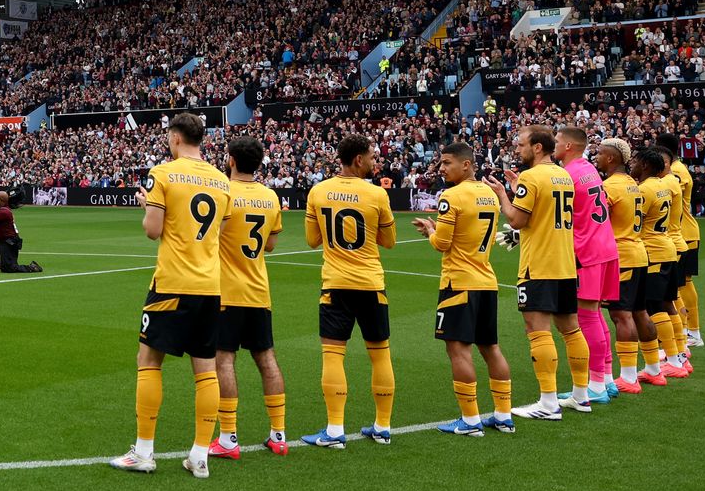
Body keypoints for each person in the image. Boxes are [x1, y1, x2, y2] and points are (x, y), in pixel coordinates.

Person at [110, 112, 230, 480]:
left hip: (172, 282)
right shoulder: (223, 182)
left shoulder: (162, 173)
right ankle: (199, 455)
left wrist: (148, 206)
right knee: (205, 368)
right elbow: (219, 229)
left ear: (176, 138)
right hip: (209, 285)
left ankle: (144, 451)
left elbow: (153, 230)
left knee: (148, 360)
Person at [487, 124, 592, 419]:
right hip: (564, 264)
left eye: (521, 145)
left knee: (537, 329)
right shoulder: (563, 175)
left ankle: (548, 402)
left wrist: (502, 195)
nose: (517, 149)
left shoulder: (533, 177)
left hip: (539, 264)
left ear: (536, 147)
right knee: (571, 329)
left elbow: (517, 220)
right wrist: (521, 185)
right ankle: (581, 396)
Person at [300, 134, 397, 448]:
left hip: (336, 284)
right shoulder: (377, 194)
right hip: (371, 283)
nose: (373, 161)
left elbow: (312, 240)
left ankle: (334, 430)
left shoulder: (318, 191)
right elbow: (389, 241)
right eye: (370, 157)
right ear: (358, 160)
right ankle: (382, 426)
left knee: (333, 356)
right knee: (380, 356)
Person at [412, 141, 514, 436]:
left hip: (459, 281)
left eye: (447, 163)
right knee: (491, 348)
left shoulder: (452, 195)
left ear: (466, 164)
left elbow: (442, 244)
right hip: (486, 279)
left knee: (458, 349)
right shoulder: (489, 194)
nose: (441, 168)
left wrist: (431, 230)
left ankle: (470, 421)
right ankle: (504, 416)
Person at [210, 135, 288, 459]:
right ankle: (279, 434)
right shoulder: (270, 197)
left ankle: (228, 438)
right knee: (266, 359)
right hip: (259, 291)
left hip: (227, 291)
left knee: (223, 360)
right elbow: (269, 245)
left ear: (230, 160)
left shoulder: (223, 192)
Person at [558, 126, 619, 402]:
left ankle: (595, 385)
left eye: (557, 141)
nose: (554, 144)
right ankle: (606, 379)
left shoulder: (568, 175)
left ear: (569, 146)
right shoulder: (590, 169)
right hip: (605, 246)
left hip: (587, 251)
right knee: (595, 314)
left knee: (586, 316)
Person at [594, 138, 659, 391]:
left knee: (621, 314)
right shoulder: (633, 184)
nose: (596, 157)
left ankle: (629, 377)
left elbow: (597, 221)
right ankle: (653, 368)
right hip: (639, 252)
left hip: (622, 255)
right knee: (640, 311)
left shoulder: (608, 187)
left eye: (600, 154)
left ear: (611, 158)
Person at [634, 148, 688, 379]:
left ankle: (672, 360)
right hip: (667, 248)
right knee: (668, 303)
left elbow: (636, 222)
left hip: (653, 251)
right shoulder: (662, 185)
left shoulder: (645, 189)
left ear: (645, 165)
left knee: (654, 306)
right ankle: (679, 355)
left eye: (636, 161)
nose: (632, 165)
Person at [663, 133, 704, 348]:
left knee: (682, 283)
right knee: (680, 284)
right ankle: (688, 330)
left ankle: (690, 331)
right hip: (682, 232)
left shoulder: (676, 172)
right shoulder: (677, 169)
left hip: (683, 234)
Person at [0, 191, 42, 273]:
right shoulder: (5, 210)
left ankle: (32, 267)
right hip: (6, 240)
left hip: (10, 242)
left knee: (8, 268)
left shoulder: (3, 212)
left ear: (1, 200)